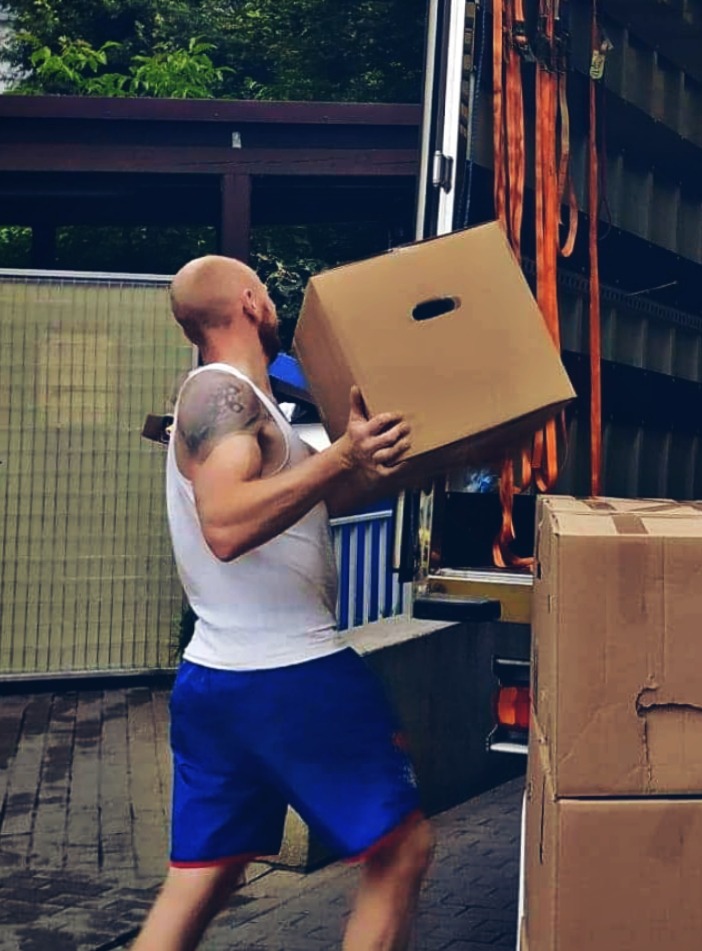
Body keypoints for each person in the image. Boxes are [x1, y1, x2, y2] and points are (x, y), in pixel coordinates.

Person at [134, 255, 434, 951]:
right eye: (266, 290)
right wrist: (340, 457)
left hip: (218, 681)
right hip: (289, 674)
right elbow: (226, 524)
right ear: (249, 301)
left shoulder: (251, 406)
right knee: (402, 851)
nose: (273, 302)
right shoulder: (222, 393)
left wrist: (375, 461)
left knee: (202, 880)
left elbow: (308, 503)